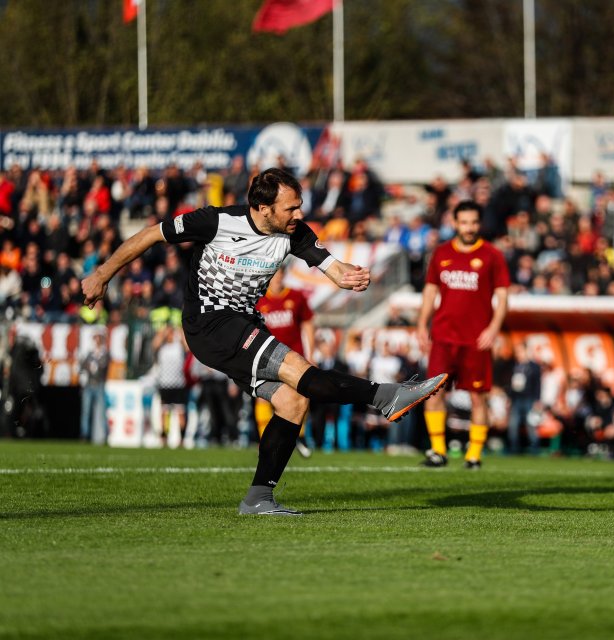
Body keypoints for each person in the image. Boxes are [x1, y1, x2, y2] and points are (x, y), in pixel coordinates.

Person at [82, 167, 447, 516]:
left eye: (300, 204)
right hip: (209, 323)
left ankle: (259, 497)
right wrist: (101, 274)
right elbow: (149, 235)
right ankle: (385, 397)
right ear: (262, 208)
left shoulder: (293, 231)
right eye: (291, 207)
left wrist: (346, 277)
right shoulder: (217, 221)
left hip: (242, 323)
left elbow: (330, 266)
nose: (298, 213)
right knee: (303, 373)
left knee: (292, 401)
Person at [416, 199, 510, 469]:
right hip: (443, 337)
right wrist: (422, 324)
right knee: (433, 393)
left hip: (476, 340)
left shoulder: (493, 255)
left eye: (474, 222)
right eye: (464, 222)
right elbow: (430, 291)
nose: (469, 227)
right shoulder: (441, 253)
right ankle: (438, 451)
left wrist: (493, 328)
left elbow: (502, 297)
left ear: (479, 224)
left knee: (478, 397)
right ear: (455, 223)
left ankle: (474, 455)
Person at [254, 266, 315, 458]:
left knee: (300, 396)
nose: (277, 278)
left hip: (294, 357)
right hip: (267, 357)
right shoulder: (259, 300)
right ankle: (266, 443)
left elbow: (308, 324)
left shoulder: (296, 297)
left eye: (280, 274)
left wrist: (311, 354)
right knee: (263, 397)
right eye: (274, 275)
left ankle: (301, 436)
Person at [78, 331, 110, 444]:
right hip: (89, 384)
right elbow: (83, 367)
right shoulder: (89, 354)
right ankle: (84, 434)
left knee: (102, 412)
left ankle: (106, 435)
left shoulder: (104, 354)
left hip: (99, 384)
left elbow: (102, 367)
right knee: (86, 411)